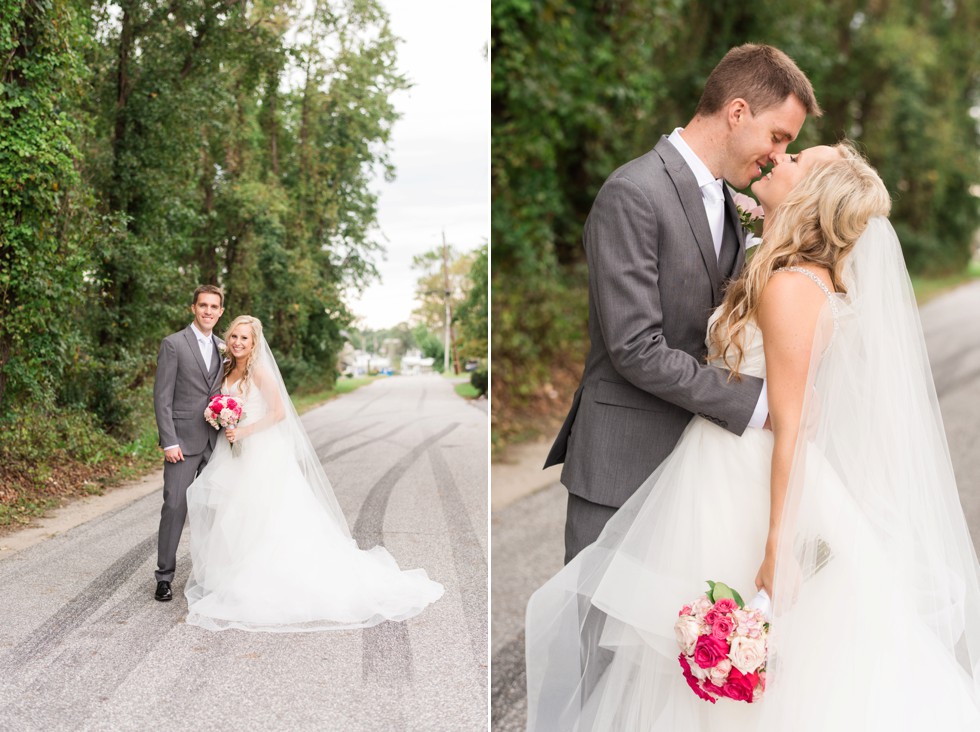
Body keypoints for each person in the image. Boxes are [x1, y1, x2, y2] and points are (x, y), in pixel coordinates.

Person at [525, 143, 980, 729]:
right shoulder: (782, 267)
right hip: (719, 463)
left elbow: (789, 425)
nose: (777, 162)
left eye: (794, 162)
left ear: (808, 198)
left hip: (748, 476)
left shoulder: (791, 287)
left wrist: (774, 548)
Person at [544, 44, 822, 564]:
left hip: (699, 470)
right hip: (624, 460)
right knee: (599, 638)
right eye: (778, 135)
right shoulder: (633, 192)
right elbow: (635, 347)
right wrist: (760, 405)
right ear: (737, 111)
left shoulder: (730, 201)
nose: (777, 154)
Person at [182, 315, 444, 632]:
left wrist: (245, 430)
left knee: (264, 513)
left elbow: (278, 413)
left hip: (259, 448)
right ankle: (232, 573)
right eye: (235, 336)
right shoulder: (225, 368)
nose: (238, 343)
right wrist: (221, 418)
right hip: (232, 449)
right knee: (234, 511)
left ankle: (266, 577)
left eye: (245, 339)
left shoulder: (260, 373)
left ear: (254, 343)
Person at [153, 284, 226, 602]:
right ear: (193, 308)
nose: (208, 311)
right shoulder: (173, 345)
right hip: (182, 442)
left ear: (221, 312)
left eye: (214, 306)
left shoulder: (225, 347)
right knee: (174, 506)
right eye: (203, 305)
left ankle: (210, 575)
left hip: (217, 441)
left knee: (214, 510)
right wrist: (169, 440)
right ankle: (164, 577)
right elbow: (162, 396)